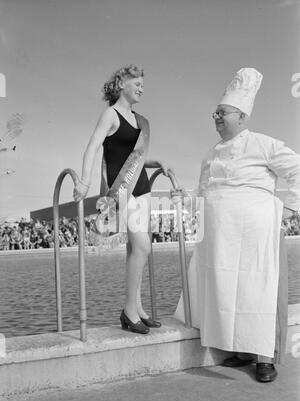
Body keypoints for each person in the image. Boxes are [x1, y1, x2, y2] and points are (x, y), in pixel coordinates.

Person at [174, 68, 300, 382]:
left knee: (258, 289)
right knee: (227, 291)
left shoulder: (264, 144)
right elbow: (203, 193)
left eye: (222, 112)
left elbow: (298, 170)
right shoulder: (209, 154)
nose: (216, 117)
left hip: (256, 232)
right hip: (220, 236)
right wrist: (184, 198)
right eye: (214, 113)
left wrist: (287, 209)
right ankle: (238, 349)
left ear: (242, 116)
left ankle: (264, 357)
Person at [74, 64, 171, 334]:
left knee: (134, 249)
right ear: (121, 84)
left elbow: (136, 159)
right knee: (142, 246)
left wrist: (155, 163)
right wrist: (84, 180)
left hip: (141, 187)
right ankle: (128, 310)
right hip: (122, 190)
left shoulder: (140, 120)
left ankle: (137, 308)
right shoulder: (111, 114)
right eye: (137, 83)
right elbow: (93, 147)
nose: (141, 88)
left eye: (143, 84)